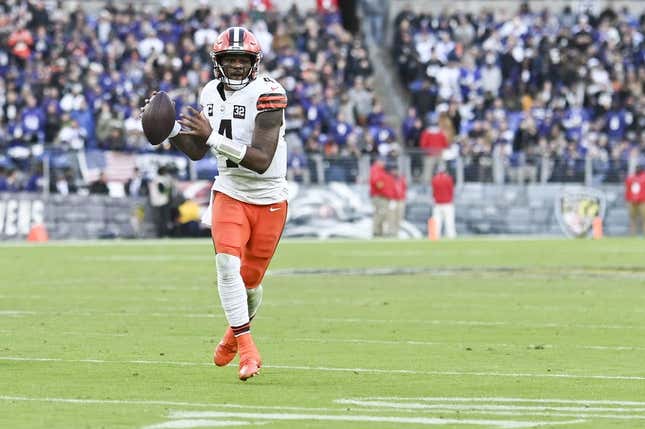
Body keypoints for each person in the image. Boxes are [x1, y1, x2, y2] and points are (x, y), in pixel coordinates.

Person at [142, 27, 288, 381]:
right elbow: (197, 151)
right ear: (217, 62)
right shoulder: (209, 92)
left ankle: (232, 335)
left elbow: (260, 160)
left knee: (250, 284)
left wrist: (212, 137)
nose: (236, 66)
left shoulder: (270, 94)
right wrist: (172, 131)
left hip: (268, 196)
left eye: (242, 60)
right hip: (229, 190)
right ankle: (248, 349)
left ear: (254, 63)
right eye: (229, 60)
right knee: (226, 265)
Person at [431, 165, 456, 239]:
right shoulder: (449, 179)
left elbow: (434, 192)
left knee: (437, 221)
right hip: (447, 203)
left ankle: (435, 236)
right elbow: (451, 190)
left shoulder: (434, 179)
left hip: (437, 203)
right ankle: (451, 236)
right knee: (449, 221)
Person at [624, 164, 645, 236]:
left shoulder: (631, 178)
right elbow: (627, 190)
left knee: (643, 218)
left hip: (643, 201)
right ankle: (632, 234)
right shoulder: (630, 178)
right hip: (632, 201)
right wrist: (627, 199)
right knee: (632, 218)